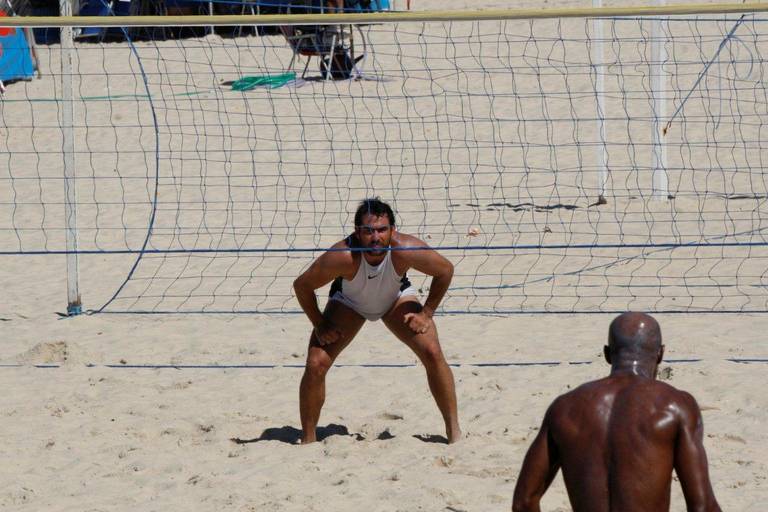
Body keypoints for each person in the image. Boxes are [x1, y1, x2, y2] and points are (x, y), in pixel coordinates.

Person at [512, 312, 722, 512]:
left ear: (606, 354)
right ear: (660, 354)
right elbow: (702, 507)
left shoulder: (566, 407)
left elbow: (524, 501)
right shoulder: (675, 406)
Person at [293, 197, 461, 444]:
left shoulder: (404, 249)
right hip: (349, 304)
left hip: (395, 300)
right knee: (316, 363)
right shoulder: (343, 256)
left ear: (393, 230)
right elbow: (302, 286)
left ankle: (454, 433)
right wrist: (320, 324)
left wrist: (426, 313)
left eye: (382, 230)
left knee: (433, 352)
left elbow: (445, 270)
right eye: (368, 231)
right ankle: (308, 440)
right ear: (357, 232)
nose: (375, 237)